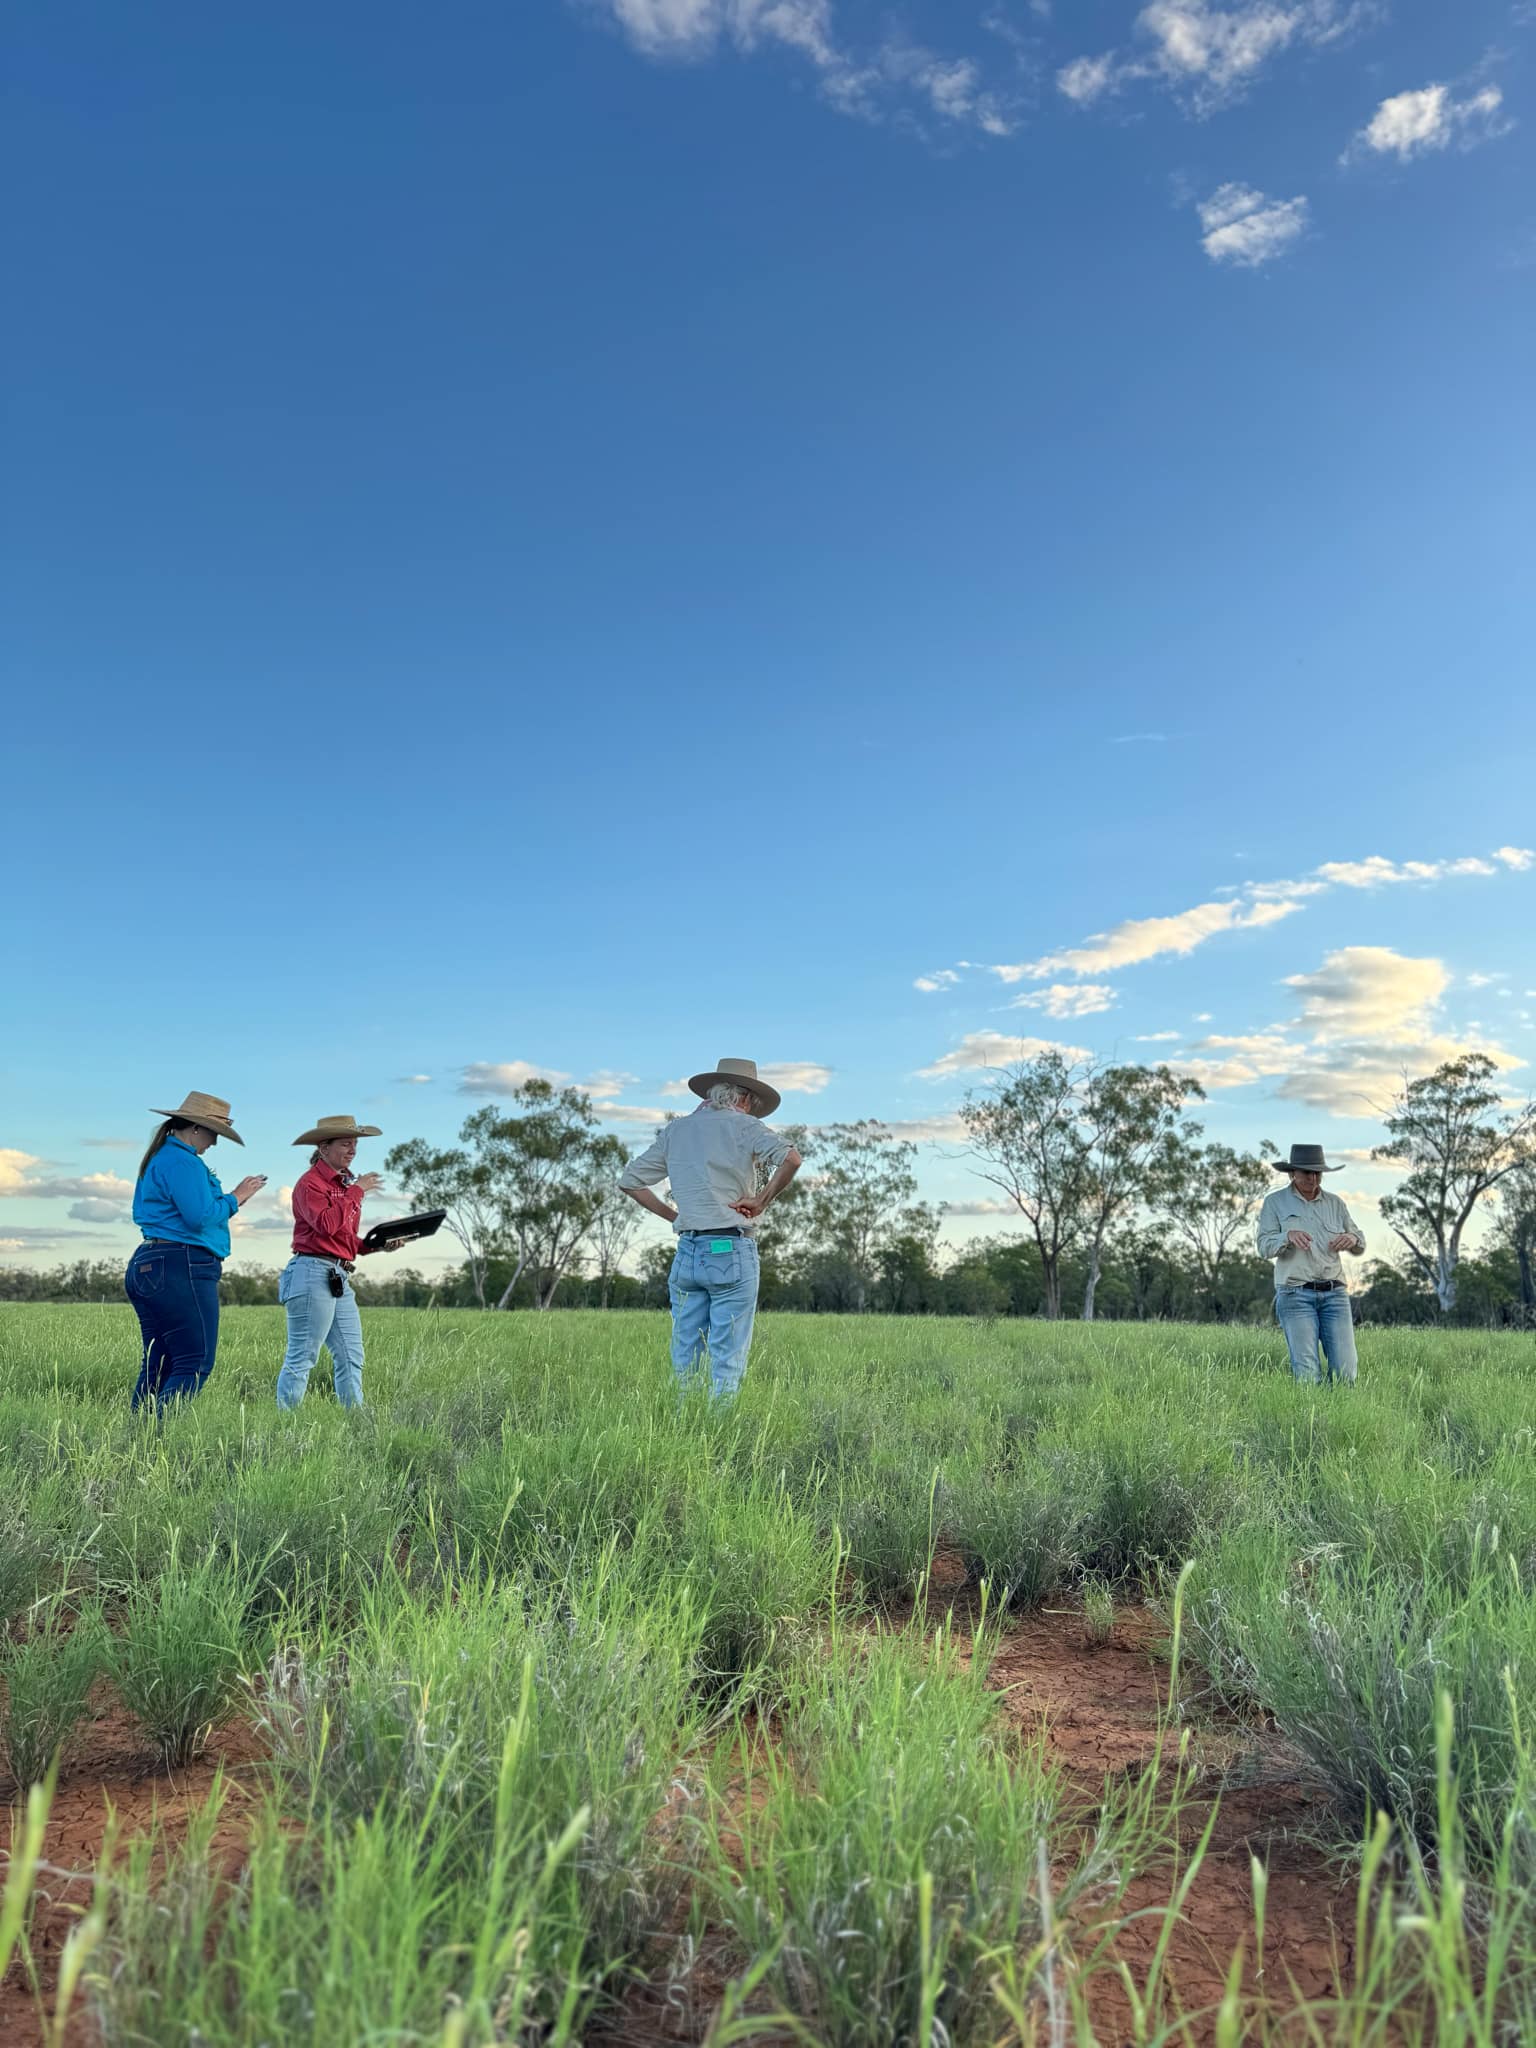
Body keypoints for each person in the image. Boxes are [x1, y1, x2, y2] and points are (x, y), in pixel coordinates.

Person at [619, 1058, 802, 1399]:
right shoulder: (745, 1126)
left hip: (688, 1252)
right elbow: (791, 1158)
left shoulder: (677, 1130)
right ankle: (718, 1439)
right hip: (729, 1250)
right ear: (745, 1098)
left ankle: (682, 1430)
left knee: (684, 1355)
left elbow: (630, 1181)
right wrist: (762, 1200)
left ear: (714, 1093)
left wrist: (674, 1216)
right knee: (727, 1359)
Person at [126, 1091, 267, 1413]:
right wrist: (236, 1197)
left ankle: (137, 1442)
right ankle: (162, 1438)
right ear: (195, 1129)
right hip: (182, 1263)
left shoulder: (160, 1158)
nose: (214, 1143)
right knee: (195, 1360)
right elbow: (199, 1217)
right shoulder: (183, 1161)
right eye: (214, 1133)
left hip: (151, 1262)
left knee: (160, 1361)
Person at [276, 1114, 402, 1410]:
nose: (353, 1150)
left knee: (351, 1355)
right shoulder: (310, 1185)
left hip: (338, 1275)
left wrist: (378, 1245)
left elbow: (344, 1241)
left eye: (355, 1144)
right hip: (311, 1272)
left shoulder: (344, 1186)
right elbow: (326, 1225)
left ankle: (357, 1423)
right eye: (346, 1144)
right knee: (303, 1355)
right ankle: (285, 1426)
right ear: (323, 1148)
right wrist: (359, 1191)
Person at [1257, 1143, 1366, 1385]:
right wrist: (1286, 1237)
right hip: (1295, 1294)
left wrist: (1352, 1238)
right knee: (1307, 1373)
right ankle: (1311, 1421)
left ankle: (1341, 1420)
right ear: (1292, 1173)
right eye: (1307, 1172)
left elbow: (1360, 1240)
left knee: (1346, 1373)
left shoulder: (1335, 1204)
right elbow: (1263, 1245)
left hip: (1335, 1295)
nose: (1313, 1178)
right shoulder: (1275, 1203)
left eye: (1318, 1173)